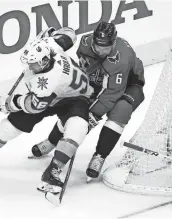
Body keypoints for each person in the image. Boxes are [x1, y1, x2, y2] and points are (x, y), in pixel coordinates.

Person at [0, 34, 94, 194]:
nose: (30, 66)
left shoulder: (47, 82)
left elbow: (34, 106)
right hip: (55, 94)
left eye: (33, 64)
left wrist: (10, 103)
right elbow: (70, 35)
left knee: (78, 128)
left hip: (76, 98)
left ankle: (53, 170)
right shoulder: (50, 47)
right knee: (9, 127)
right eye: (29, 62)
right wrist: (53, 35)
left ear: (44, 61)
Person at [30, 21, 145, 181]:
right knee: (77, 110)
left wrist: (94, 115)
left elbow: (112, 92)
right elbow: (84, 70)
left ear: (113, 42)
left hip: (129, 85)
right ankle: (52, 141)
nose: (100, 50)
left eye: (105, 47)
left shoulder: (122, 57)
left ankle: (100, 156)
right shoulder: (85, 43)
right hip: (99, 82)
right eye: (97, 45)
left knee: (121, 110)